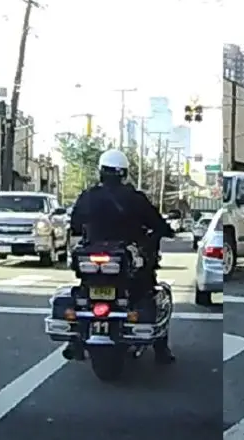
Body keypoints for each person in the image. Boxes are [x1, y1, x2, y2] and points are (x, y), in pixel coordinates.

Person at [68, 149, 177, 364]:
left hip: (91, 261)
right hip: (126, 260)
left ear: (101, 172)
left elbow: (74, 225)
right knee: (148, 290)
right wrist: (166, 230)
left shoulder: (87, 196)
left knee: (83, 289)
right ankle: (161, 351)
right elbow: (157, 223)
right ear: (124, 173)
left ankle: (75, 341)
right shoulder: (135, 198)